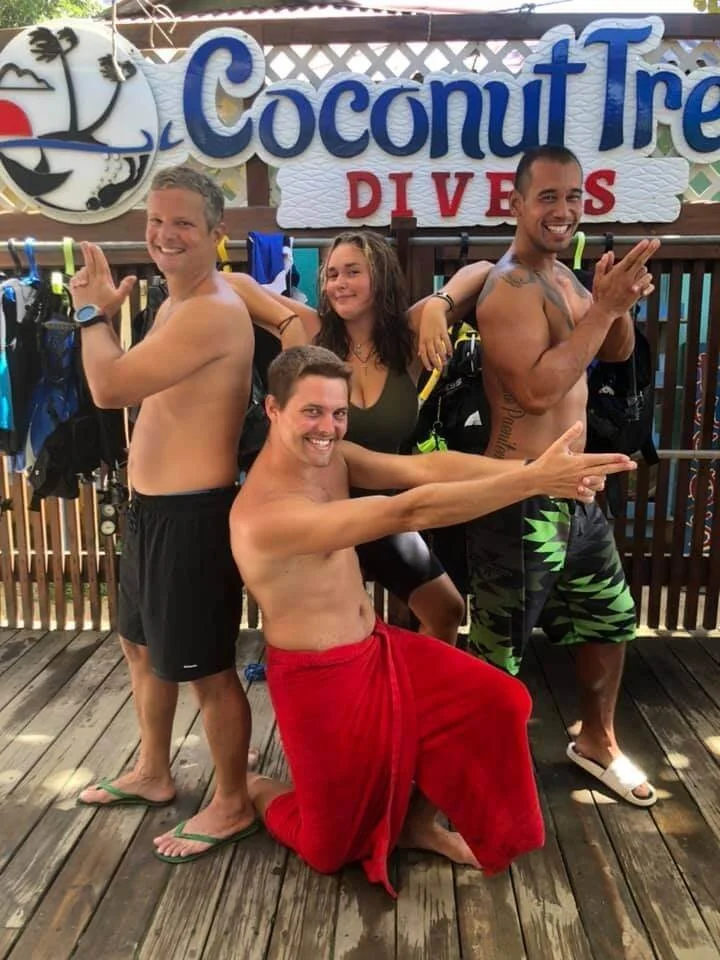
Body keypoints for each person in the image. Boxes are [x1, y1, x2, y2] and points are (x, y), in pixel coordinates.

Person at [228, 344, 637, 894]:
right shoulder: (263, 516)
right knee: (329, 850)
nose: (329, 427)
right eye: (312, 412)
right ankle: (249, 785)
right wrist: (535, 484)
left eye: (339, 412)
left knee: (500, 701)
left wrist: (533, 468)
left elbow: (423, 467)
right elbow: (409, 509)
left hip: (375, 650)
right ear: (273, 410)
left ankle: (420, 825)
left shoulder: (334, 457)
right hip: (315, 683)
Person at [69, 164, 259, 863]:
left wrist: (90, 312)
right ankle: (153, 771)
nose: (164, 234)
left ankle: (233, 800)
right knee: (141, 646)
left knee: (206, 668)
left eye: (183, 222)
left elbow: (112, 386)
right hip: (152, 511)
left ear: (216, 233)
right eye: (156, 220)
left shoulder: (211, 308)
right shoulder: (174, 301)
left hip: (194, 520)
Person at [467, 144, 660, 807]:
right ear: (515, 204)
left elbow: (616, 351)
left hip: (578, 500)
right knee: (499, 655)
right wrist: (602, 308)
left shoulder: (568, 281)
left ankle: (596, 743)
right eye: (548, 196)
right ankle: (480, 775)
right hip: (521, 498)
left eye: (574, 196)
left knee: (609, 623)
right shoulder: (509, 288)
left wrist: (617, 300)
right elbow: (539, 389)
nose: (564, 209)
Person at [224, 232, 492, 644]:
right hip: (318, 511)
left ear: (381, 278)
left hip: (380, 511)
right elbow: (232, 283)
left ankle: (415, 696)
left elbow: (483, 270)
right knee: (336, 630)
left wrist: (441, 303)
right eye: (331, 274)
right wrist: (287, 323)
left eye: (353, 272)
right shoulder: (314, 329)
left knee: (447, 609)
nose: (338, 283)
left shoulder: (407, 335)